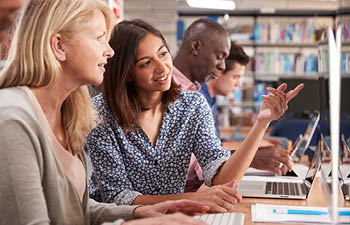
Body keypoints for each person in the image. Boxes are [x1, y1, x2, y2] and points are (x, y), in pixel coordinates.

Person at [0, 1, 208, 225]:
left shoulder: (70, 114)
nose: (109, 52)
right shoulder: (13, 119)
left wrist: (139, 213)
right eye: (99, 38)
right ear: (59, 46)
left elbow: (75, 210)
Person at [86, 19, 304, 213]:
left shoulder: (192, 105)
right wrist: (192, 199)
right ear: (127, 73)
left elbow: (221, 175)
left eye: (163, 54)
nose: (162, 68)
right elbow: (117, 197)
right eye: (146, 63)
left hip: (175, 219)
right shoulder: (100, 114)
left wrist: (262, 122)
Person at [173, 18, 295, 192]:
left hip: (195, 192)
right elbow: (198, 166)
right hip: (182, 197)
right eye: (219, 57)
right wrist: (251, 156)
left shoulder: (194, 92)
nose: (222, 66)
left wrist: (261, 126)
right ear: (195, 47)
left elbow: (208, 159)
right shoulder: (175, 92)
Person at [200, 42, 293, 176]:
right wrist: (254, 146)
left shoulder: (212, 99)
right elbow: (211, 151)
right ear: (219, 70)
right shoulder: (200, 101)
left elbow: (218, 143)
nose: (238, 84)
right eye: (235, 77)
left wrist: (255, 140)